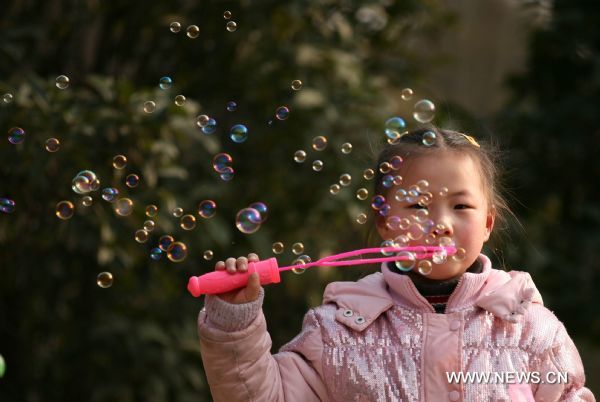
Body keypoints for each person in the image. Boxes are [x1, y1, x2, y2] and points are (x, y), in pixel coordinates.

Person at [197, 128, 595, 401]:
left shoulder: (529, 329)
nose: (440, 224)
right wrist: (235, 322)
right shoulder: (340, 331)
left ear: (488, 223)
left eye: (460, 206)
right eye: (419, 205)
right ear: (385, 221)